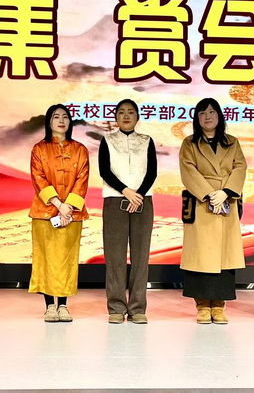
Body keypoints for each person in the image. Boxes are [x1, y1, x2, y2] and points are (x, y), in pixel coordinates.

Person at [179, 98, 247, 324]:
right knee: (200, 255)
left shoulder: (232, 142)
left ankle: (218, 305)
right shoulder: (190, 143)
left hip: (226, 201)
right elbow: (188, 171)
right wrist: (210, 194)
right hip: (202, 202)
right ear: (196, 118)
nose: (207, 116)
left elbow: (240, 167)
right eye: (202, 113)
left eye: (211, 112)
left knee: (224, 255)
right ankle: (201, 305)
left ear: (219, 115)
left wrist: (225, 192)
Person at [28, 104, 90, 322]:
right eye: (56, 117)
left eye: (65, 117)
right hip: (45, 212)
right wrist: (58, 204)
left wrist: (68, 207)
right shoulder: (39, 149)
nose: (61, 121)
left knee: (67, 259)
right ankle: (49, 307)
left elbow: (82, 179)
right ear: (49, 121)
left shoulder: (80, 150)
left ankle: (63, 305)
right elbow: (38, 178)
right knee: (46, 259)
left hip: (72, 214)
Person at [99, 99, 157, 324]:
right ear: (115, 117)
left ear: (137, 117)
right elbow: (105, 171)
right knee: (115, 257)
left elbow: (152, 171)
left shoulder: (146, 141)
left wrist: (138, 195)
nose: (126, 116)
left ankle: (137, 308)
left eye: (130, 112)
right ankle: (116, 307)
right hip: (115, 201)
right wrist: (126, 191)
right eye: (121, 112)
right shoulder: (107, 140)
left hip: (143, 201)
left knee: (141, 257)